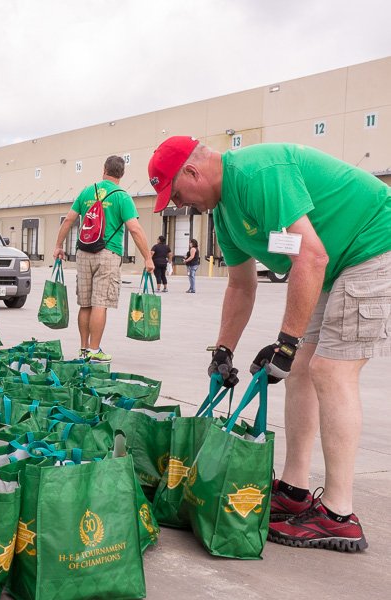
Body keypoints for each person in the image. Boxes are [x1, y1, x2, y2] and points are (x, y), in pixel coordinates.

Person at [148, 135, 391, 553]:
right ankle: (295, 489)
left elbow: (310, 256)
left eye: (176, 195)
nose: (178, 206)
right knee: (299, 369)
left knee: (331, 370)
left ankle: (338, 515)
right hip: (331, 266)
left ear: (192, 172)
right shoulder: (223, 215)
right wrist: (222, 350)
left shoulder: (258, 174)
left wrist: (286, 343)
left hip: (373, 246)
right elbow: (241, 285)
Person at [52, 155, 155, 362]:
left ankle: (83, 349)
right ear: (122, 174)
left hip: (83, 252)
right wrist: (147, 257)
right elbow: (134, 229)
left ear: (104, 169)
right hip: (108, 254)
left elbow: (69, 220)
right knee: (100, 303)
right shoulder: (122, 197)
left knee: (85, 304)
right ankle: (94, 350)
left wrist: (58, 245)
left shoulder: (87, 191)